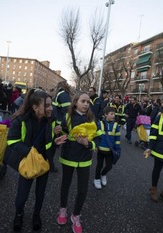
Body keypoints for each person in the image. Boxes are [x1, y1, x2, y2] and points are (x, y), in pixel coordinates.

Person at [6, 89, 66, 232]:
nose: (51, 108)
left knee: (40, 194)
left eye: (51, 105)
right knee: (22, 197)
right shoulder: (21, 120)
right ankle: (19, 214)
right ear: (35, 107)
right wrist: (30, 153)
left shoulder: (51, 121)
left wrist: (55, 142)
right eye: (47, 105)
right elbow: (12, 141)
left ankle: (36, 215)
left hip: (44, 163)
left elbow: (49, 146)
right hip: (27, 162)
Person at [57, 92, 102, 233]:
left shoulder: (94, 119)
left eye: (88, 102)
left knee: (83, 189)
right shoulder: (67, 117)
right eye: (83, 101)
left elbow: (99, 139)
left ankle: (76, 216)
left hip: (85, 159)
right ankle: (62, 210)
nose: (86, 104)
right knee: (65, 185)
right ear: (75, 102)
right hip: (68, 157)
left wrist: (88, 144)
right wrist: (57, 133)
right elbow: (61, 134)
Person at [93, 106, 121, 189]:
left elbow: (117, 138)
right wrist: (95, 145)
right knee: (99, 165)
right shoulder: (99, 124)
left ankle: (103, 174)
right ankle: (96, 178)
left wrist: (117, 149)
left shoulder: (116, 125)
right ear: (105, 114)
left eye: (114, 114)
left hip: (110, 151)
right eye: (111, 114)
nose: (113, 116)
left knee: (109, 166)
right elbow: (95, 135)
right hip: (100, 150)